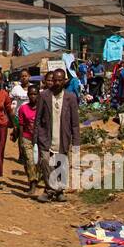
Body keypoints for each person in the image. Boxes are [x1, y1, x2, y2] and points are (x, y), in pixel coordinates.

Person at [34, 67, 81, 202]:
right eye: (55, 80)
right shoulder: (44, 96)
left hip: (63, 137)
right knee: (46, 162)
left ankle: (59, 191)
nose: (57, 83)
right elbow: (38, 119)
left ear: (64, 81)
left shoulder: (70, 98)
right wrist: (35, 140)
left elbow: (75, 123)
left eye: (60, 80)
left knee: (61, 165)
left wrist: (76, 142)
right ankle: (50, 190)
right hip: (46, 137)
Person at [13, 83, 40, 194]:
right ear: (28, 95)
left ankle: (38, 179)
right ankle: (32, 183)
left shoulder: (42, 108)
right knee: (29, 161)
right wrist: (21, 141)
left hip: (39, 139)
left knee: (39, 162)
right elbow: (21, 125)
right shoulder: (23, 109)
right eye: (31, 94)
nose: (33, 96)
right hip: (27, 137)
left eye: (35, 94)